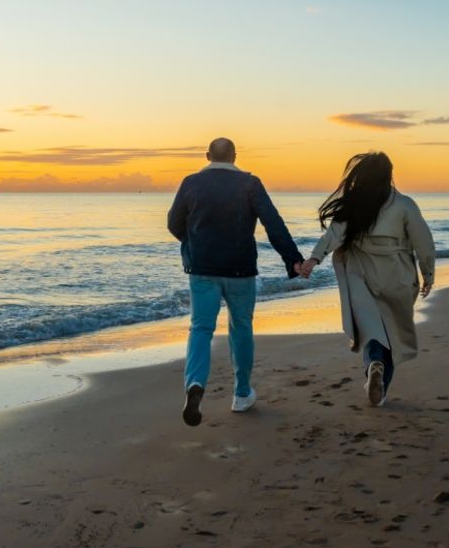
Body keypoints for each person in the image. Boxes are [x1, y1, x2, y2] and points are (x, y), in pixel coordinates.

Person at [168, 138, 303, 427]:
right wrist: (293, 259)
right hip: (241, 270)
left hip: (202, 270)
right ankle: (241, 394)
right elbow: (273, 223)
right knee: (241, 328)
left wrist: (194, 244)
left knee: (201, 328)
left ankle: (195, 384)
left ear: (207, 156)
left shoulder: (191, 182)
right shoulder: (250, 184)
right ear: (234, 156)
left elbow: (173, 222)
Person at [297, 152, 435, 407]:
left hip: (360, 271)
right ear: (388, 175)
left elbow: (333, 235)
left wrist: (313, 260)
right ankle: (381, 388)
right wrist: (428, 274)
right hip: (397, 275)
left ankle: (374, 364)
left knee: (370, 329)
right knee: (392, 332)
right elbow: (423, 241)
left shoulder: (354, 206)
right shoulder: (405, 204)